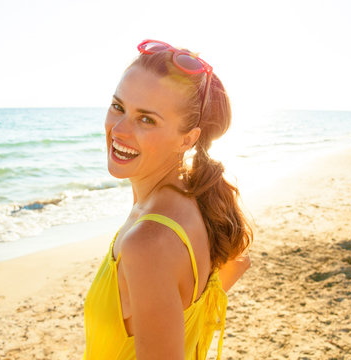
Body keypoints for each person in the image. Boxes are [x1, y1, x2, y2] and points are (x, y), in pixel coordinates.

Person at [83, 39, 253, 360]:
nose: (118, 130)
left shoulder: (148, 244)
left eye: (146, 119)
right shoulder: (196, 201)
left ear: (188, 138)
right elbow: (231, 268)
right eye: (118, 107)